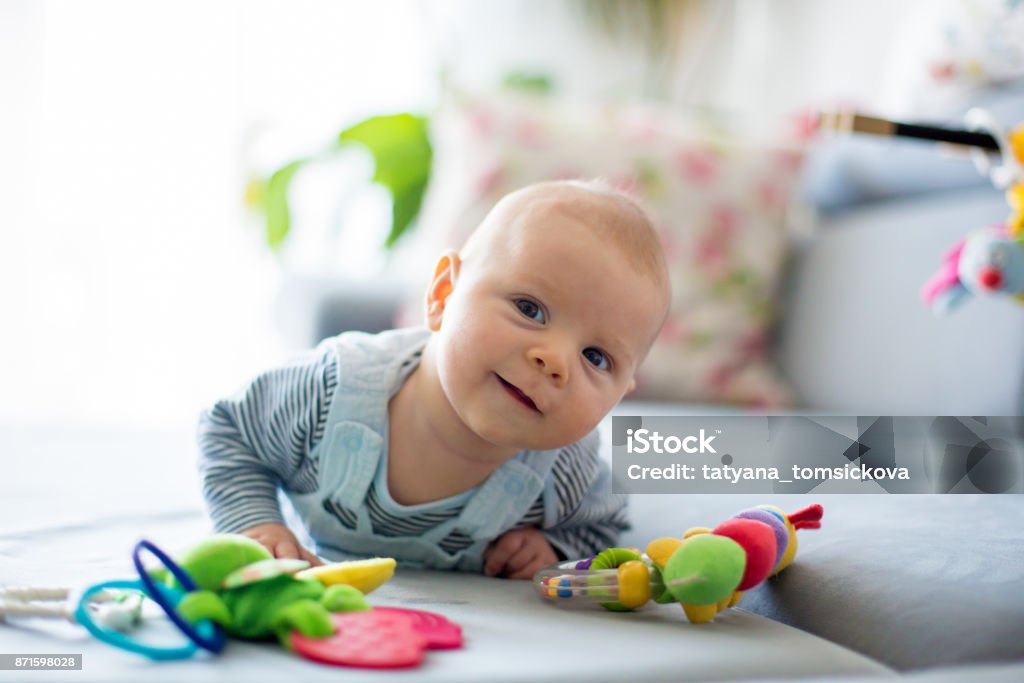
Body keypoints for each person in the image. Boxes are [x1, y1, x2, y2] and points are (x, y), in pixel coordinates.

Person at [197, 179, 671, 580]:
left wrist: (551, 548)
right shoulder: (330, 390)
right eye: (530, 309)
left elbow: (604, 526)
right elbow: (230, 431)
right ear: (444, 292)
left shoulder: (566, 472)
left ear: (621, 393)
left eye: (596, 356)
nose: (555, 360)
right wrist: (256, 524)